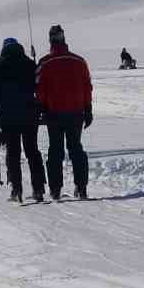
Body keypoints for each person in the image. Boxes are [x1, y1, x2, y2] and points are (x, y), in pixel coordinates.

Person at [36, 24, 93, 200]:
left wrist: (42, 108)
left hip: (54, 113)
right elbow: (87, 87)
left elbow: (40, 90)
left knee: (55, 150)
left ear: (50, 40)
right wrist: (88, 109)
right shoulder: (79, 61)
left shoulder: (45, 62)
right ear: (64, 39)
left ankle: (55, 189)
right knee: (76, 149)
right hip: (76, 112)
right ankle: (81, 187)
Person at [0, 37, 46, 203]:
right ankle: (38, 188)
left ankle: (16, 189)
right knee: (32, 151)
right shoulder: (29, 64)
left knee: (13, 153)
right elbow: (38, 88)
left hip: (8, 117)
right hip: (29, 115)